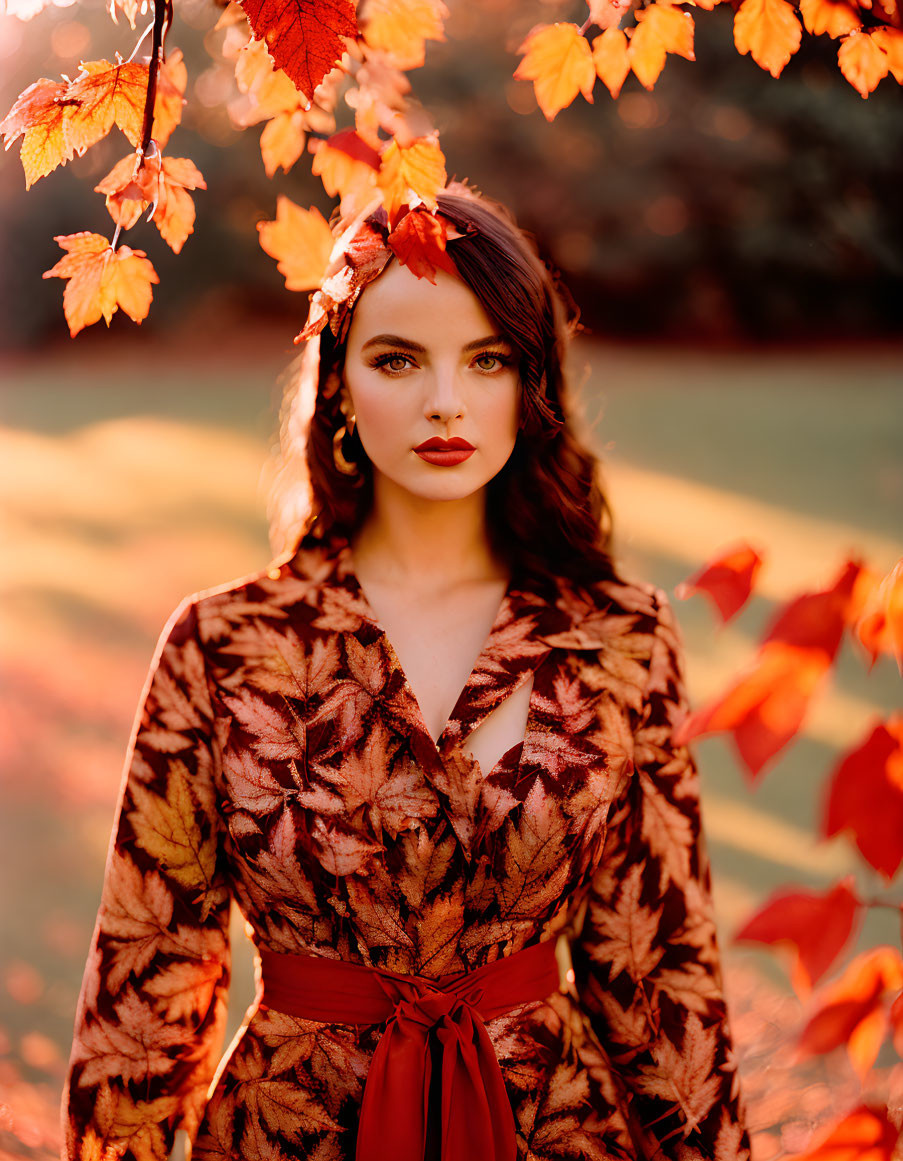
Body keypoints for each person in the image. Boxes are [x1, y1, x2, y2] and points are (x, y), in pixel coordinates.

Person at [62, 185, 751, 1161]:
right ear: (337, 379)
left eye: (487, 360)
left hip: (553, 1132)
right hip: (292, 1133)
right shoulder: (221, 645)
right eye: (398, 358)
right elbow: (146, 986)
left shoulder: (618, 638)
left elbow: (662, 977)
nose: (445, 400)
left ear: (532, 382)